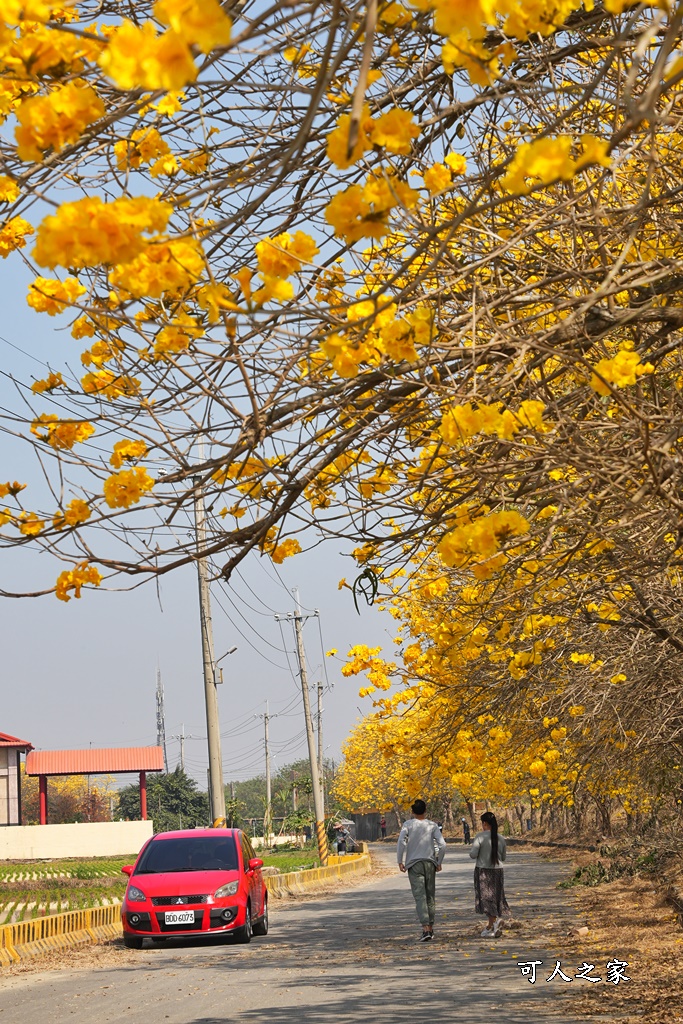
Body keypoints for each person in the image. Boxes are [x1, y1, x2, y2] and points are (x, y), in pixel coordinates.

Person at [397, 799, 447, 941]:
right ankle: (430, 928)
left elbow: (401, 842)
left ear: (412, 812)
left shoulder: (408, 825)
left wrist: (399, 861)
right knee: (430, 896)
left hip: (414, 864)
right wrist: (439, 861)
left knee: (420, 896)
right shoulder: (432, 825)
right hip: (430, 863)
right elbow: (442, 845)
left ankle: (425, 929)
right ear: (425, 811)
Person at [469, 811, 510, 938]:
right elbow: (503, 857)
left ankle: (494, 922)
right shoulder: (501, 838)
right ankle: (491, 925)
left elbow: (473, 854)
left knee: (486, 898)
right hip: (498, 871)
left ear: (485, 823)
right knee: (496, 896)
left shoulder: (480, 837)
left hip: (483, 871)